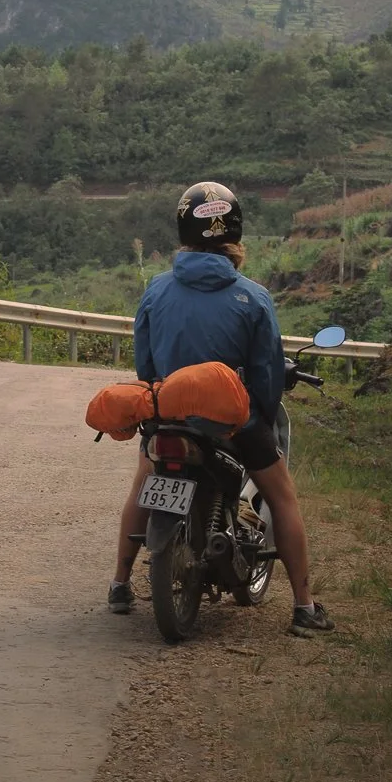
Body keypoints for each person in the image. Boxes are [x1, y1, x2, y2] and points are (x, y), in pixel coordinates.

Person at [108, 181, 334, 637]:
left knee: (143, 480)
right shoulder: (253, 297)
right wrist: (262, 420)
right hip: (231, 424)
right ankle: (305, 606)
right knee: (282, 496)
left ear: (183, 230)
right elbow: (266, 374)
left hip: (167, 416)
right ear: (234, 231)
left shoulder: (156, 290)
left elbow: (145, 364)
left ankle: (118, 584)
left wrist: (158, 406)